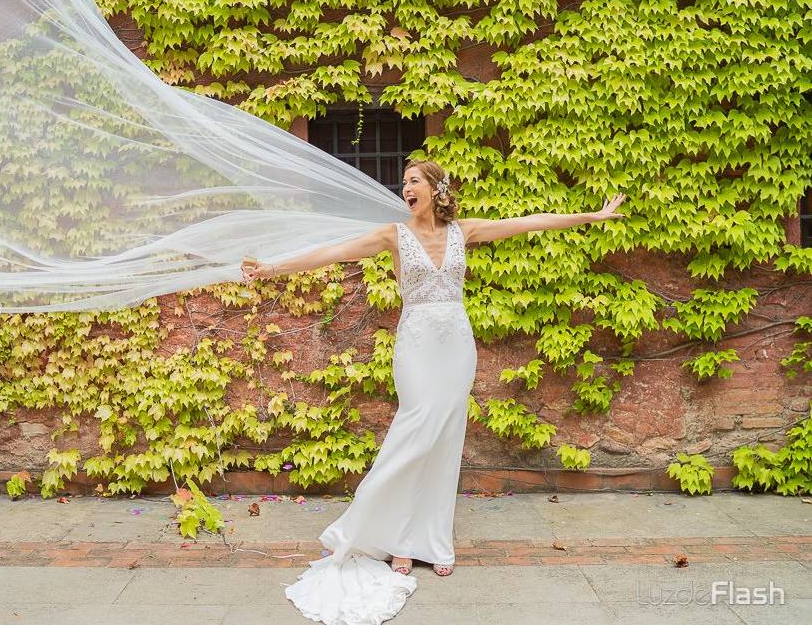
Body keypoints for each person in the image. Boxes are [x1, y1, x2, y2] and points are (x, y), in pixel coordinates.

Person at [241, 158, 626, 625]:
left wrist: (592, 217)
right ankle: (389, 537)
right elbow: (333, 252)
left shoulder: (466, 230)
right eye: (404, 182)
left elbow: (526, 224)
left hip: (457, 345)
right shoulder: (392, 236)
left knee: (445, 442)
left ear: (436, 188)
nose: (406, 188)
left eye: (414, 181)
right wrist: (270, 268)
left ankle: (433, 541)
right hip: (417, 345)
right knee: (415, 432)